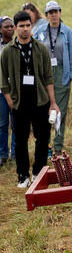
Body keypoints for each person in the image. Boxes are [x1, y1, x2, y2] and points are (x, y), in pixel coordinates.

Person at [0, 11, 60, 188]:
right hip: (20, 103)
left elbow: (49, 77)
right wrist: (11, 102)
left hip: (40, 101)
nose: (25, 29)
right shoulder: (8, 52)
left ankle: (38, 172)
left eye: (28, 25)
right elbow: (3, 81)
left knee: (42, 139)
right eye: (21, 26)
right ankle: (22, 175)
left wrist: (53, 103)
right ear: (16, 28)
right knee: (20, 140)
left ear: (31, 26)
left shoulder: (40, 48)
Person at [33, 1, 72, 154]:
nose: (53, 15)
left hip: (61, 72)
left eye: (56, 11)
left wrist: (70, 75)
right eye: (50, 12)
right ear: (46, 15)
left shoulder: (67, 31)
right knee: (44, 110)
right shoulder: (39, 31)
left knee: (60, 111)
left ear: (60, 12)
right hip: (44, 73)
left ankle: (58, 146)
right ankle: (46, 145)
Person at [0, 17, 16, 166]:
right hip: (1, 91)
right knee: (2, 123)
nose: (10, 29)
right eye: (6, 27)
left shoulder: (17, 45)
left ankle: (15, 154)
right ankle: (2, 154)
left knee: (16, 123)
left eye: (12, 26)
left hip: (16, 91)